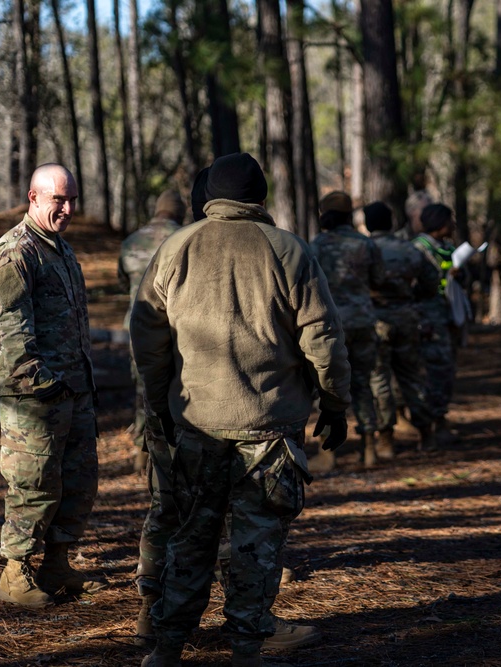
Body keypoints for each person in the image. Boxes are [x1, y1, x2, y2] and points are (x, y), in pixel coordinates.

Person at [131, 152, 351, 667]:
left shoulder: (176, 247)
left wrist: (160, 402)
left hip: (195, 422)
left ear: (211, 196)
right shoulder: (287, 250)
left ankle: (166, 647)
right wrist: (335, 404)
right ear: (260, 197)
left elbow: (148, 336)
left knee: (190, 538)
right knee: (258, 543)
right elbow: (323, 337)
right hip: (269, 428)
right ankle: (248, 648)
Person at [0, 163, 108, 608]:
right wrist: (44, 388)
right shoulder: (16, 253)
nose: (68, 208)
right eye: (59, 199)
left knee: (78, 481)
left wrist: (77, 386)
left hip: (72, 391)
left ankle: (57, 563)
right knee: (33, 484)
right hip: (35, 398)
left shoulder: (59, 248)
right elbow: (11, 332)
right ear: (34, 198)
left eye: (72, 199)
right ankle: (14, 575)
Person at [309, 191, 385, 470]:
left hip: (330, 326)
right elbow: (379, 279)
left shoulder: (316, 245)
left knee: (327, 387)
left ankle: (328, 453)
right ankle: (369, 450)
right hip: (364, 321)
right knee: (364, 384)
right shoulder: (366, 244)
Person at [364, 201, 440, 456]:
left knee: (379, 379)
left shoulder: (365, 249)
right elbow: (431, 282)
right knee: (412, 375)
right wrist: (410, 297)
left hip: (376, 319)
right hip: (407, 316)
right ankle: (427, 434)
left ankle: (386, 439)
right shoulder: (409, 249)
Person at [118, 189, 186, 472]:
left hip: (137, 326)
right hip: (173, 328)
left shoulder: (132, 240)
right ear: (179, 212)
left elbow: (123, 280)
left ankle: (140, 450)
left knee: (142, 387)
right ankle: (169, 450)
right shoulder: (185, 239)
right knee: (174, 387)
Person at [413, 203, 459, 445]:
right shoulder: (418, 250)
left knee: (445, 369)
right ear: (440, 223)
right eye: (450, 220)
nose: (453, 225)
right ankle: (428, 426)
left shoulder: (448, 248)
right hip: (428, 319)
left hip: (447, 316)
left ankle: (439, 419)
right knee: (433, 370)